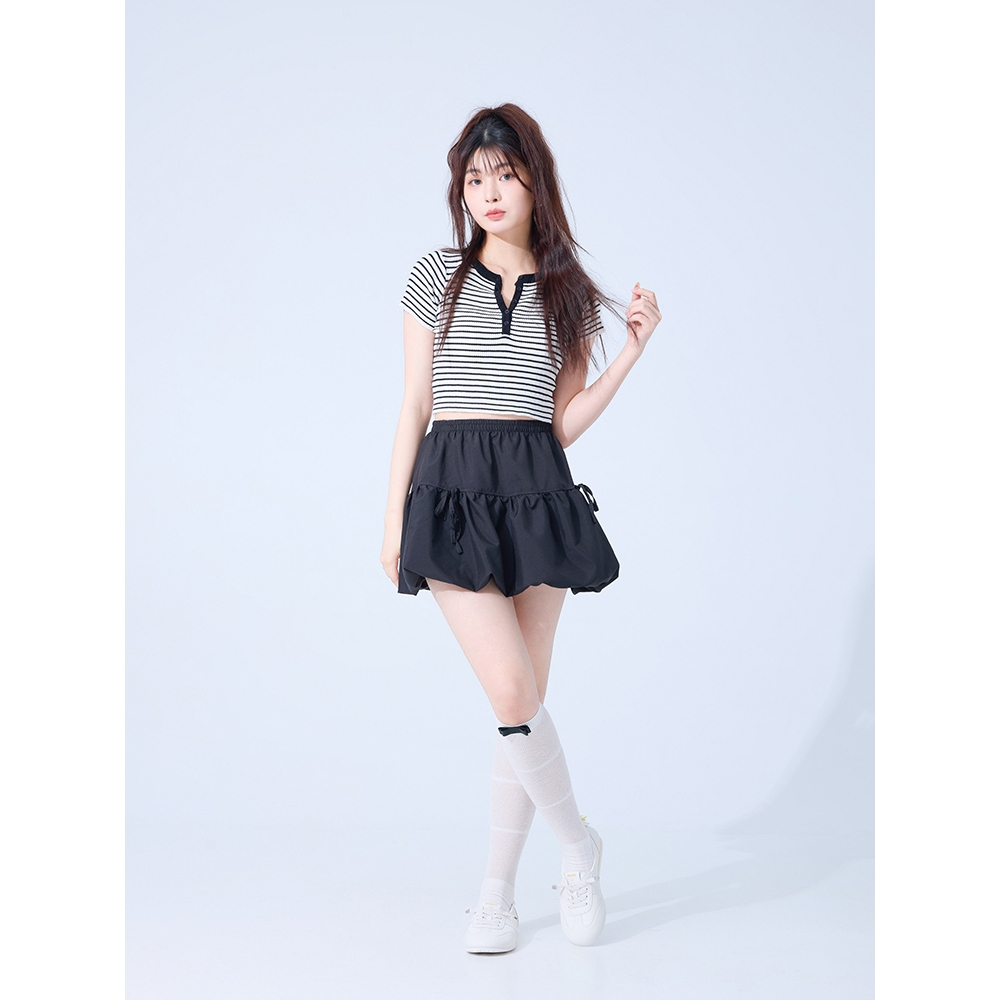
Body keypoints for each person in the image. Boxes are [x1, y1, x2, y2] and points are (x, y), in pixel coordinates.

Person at [380, 103, 661, 954]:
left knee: (524, 703)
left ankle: (496, 893)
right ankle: (579, 845)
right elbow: (416, 404)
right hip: (451, 494)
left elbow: (560, 423)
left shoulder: (568, 296)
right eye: (475, 178)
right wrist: (393, 519)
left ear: (536, 179)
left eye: (504, 173)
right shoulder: (437, 275)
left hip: (537, 493)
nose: (489, 191)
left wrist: (628, 355)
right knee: (511, 691)